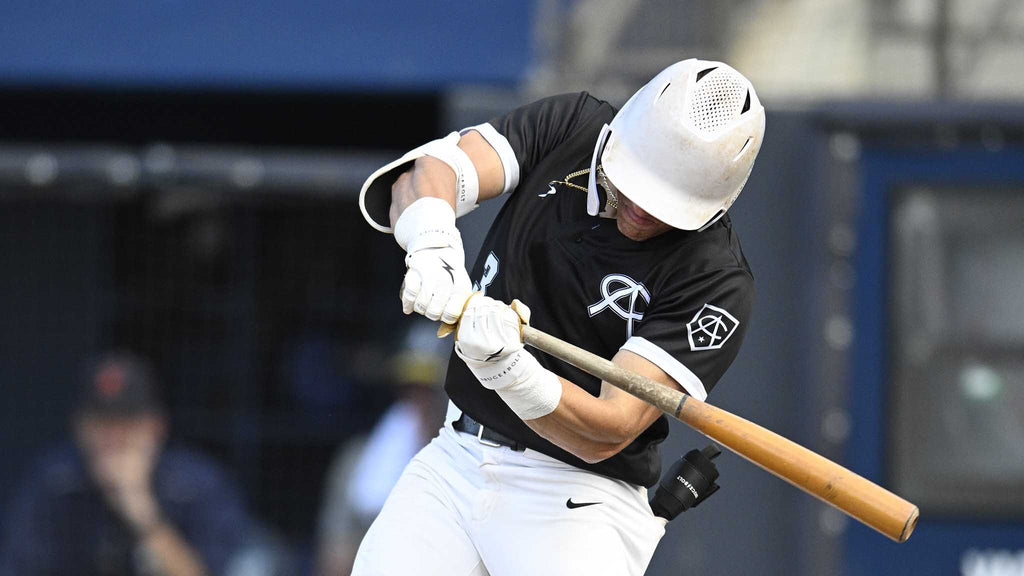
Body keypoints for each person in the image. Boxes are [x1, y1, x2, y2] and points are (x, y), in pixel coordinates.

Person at [353, 58, 764, 576]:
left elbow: (610, 428)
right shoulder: (573, 127)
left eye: (668, 202)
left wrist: (508, 368)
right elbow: (424, 176)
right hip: (456, 458)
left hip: (579, 498)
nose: (642, 208)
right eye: (640, 179)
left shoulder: (717, 278)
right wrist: (432, 245)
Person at [0, 352, 255, 576]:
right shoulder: (55, 482)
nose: (113, 439)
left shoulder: (194, 484)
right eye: (101, 423)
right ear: (79, 426)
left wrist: (141, 511)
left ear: (155, 427)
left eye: (126, 423)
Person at [313, 319, 449, 576]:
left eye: (429, 389)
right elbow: (335, 561)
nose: (418, 400)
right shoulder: (357, 461)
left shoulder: (483, 463)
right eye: (410, 387)